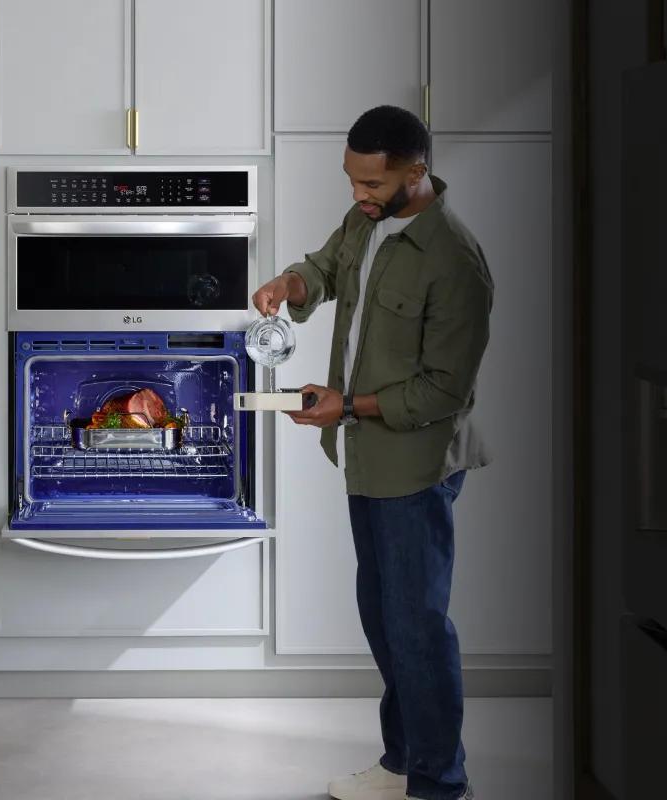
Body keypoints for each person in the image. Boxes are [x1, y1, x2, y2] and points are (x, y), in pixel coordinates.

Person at [252, 105, 494, 800]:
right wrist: (290, 286)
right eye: (352, 180)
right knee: (386, 625)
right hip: (364, 459)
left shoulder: (455, 261)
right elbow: (326, 268)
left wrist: (346, 406)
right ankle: (400, 766)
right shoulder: (367, 221)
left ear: (415, 172)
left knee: (418, 630)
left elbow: (444, 391)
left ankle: (441, 785)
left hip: (415, 468)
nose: (359, 195)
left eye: (372, 183)